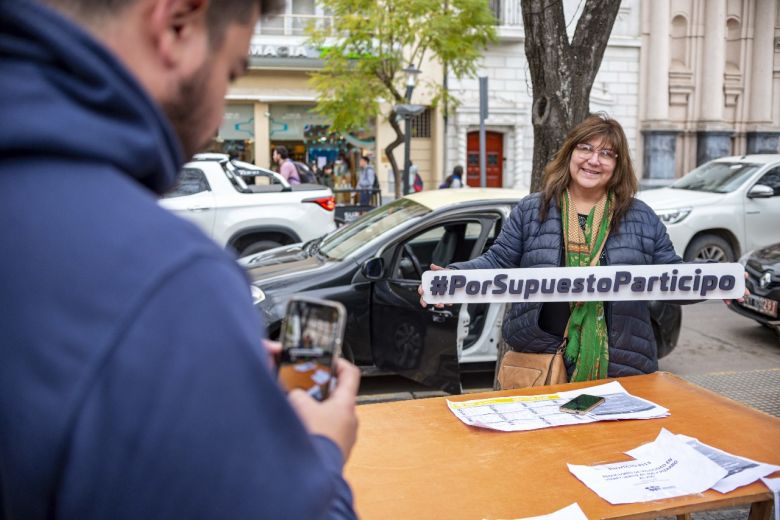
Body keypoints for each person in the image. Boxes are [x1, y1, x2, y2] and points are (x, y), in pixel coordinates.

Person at [0, 0, 359, 518]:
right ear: (177, 23)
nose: (217, 115)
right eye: (230, 71)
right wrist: (322, 453)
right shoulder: (165, 281)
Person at [421, 113, 690, 381]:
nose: (593, 160)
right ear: (570, 152)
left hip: (622, 368)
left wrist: (728, 280)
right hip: (542, 364)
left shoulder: (640, 217)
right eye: (585, 148)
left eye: (607, 153)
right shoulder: (532, 210)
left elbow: (672, 278)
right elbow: (498, 262)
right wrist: (453, 278)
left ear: (618, 165)